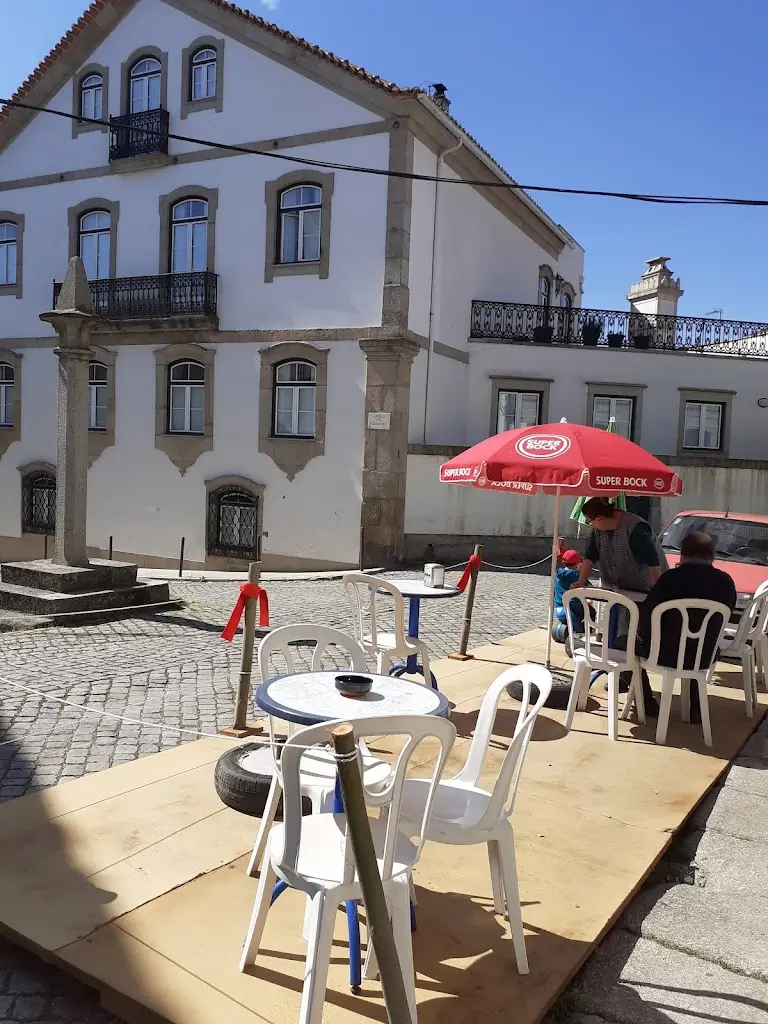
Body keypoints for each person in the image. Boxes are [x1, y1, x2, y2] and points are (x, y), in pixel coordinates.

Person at [616, 530, 736, 719]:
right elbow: (726, 614)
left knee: (623, 643)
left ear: (683, 554)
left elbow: (647, 614)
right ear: (712, 555)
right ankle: (695, 706)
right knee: (696, 644)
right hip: (705, 655)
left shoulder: (670, 578)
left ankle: (646, 702)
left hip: (663, 653)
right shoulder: (726, 582)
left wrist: (641, 634)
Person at [570, 498, 667, 595]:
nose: (591, 525)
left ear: (598, 519)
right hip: (616, 592)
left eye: (589, 522)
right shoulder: (598, 531)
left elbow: (653, 561)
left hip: (644, 592)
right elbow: (590, 556)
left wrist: (657, 592)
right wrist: (581, 581)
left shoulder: (636, 529)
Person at [554, 549, 587, 632]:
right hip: (571, 608)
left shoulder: (557, 574)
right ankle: (583, 633)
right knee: (590, 611)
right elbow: (588, 586)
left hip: (558, 608)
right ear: (576, 565)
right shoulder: (575, 575)